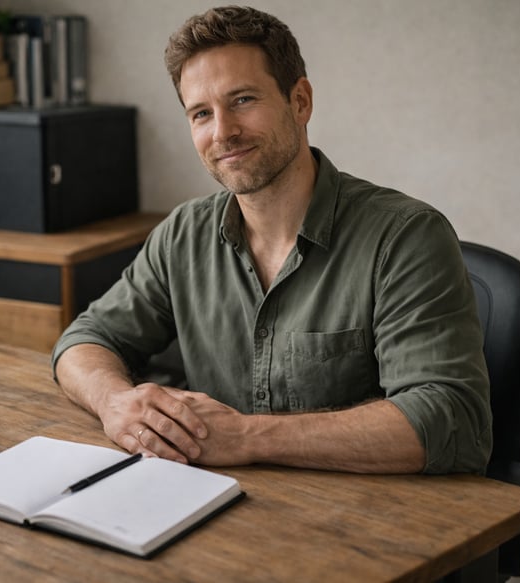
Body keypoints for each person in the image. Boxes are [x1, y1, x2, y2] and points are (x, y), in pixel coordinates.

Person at [51, 6, 492, 474]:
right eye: (201, 113)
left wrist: (245, 436)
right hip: (216, 510)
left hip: (362, 523)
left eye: (242, 100)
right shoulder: (183, 234)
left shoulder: (405, 237)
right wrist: (116, 402)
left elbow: (450, 418)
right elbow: (86, 339)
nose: (222, 132)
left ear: (299, 101)